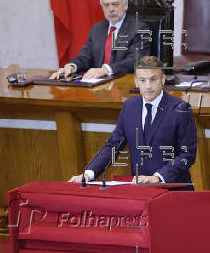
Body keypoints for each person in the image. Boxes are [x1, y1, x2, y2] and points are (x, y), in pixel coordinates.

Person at [69, 56, 197, 190]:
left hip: (174, 191)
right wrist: (89, 173)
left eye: (153, 79)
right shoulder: (130, 107)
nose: (148, 86)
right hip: (139, 190)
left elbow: (187, 154)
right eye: (143, 80)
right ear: (136, 82)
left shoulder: (180, 108)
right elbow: (113, 145)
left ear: (162, 79)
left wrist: (158, 177)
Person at [50, 0, 150, 80]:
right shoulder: (97, 28)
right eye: (106, 5)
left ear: (125, 5)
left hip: (123, 83)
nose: (111, 9)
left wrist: (106, 70)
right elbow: (85, 57)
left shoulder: (140, 28)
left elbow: (135, 61)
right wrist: (71, 66)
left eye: (115, 4)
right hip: (97, 85)